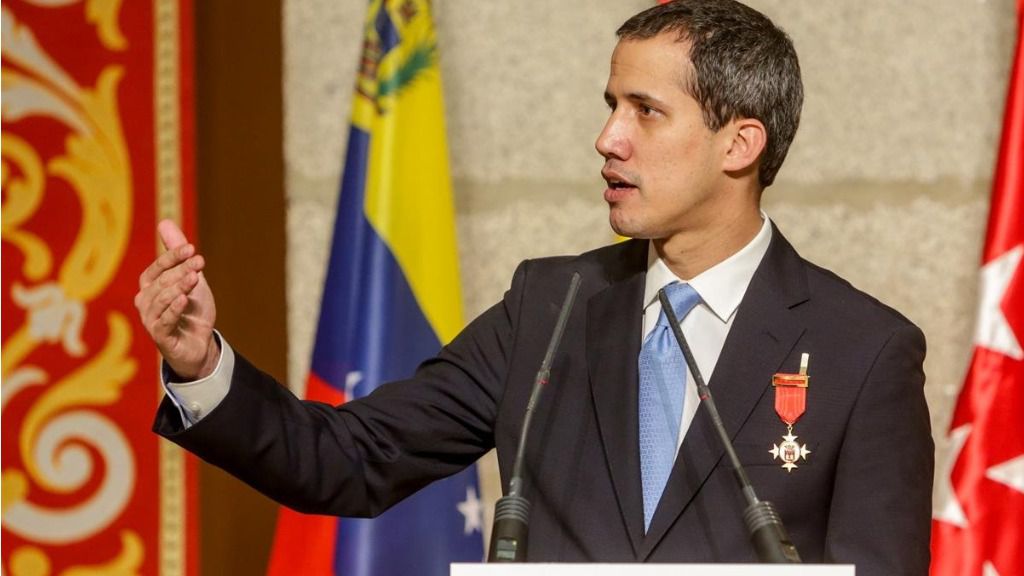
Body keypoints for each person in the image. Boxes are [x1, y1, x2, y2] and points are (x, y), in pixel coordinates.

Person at [137, 1, 933, 573]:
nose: (607, 138)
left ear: (739, 143)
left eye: (645, 111)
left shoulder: (862, 350)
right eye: (610, 105)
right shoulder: (552, 308)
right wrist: (203, 365)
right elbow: (350, 459)